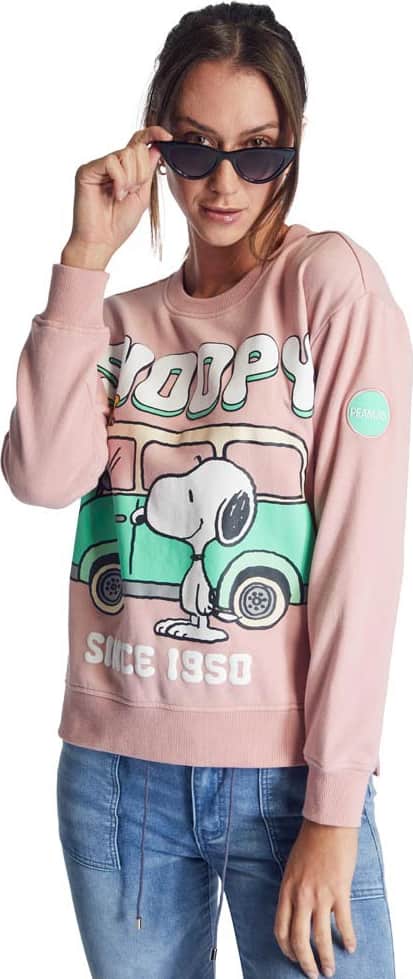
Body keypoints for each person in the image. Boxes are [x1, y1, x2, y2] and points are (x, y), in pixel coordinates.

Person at [1, 3, 411, 978]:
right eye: (194, 149)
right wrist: (84, 259)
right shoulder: (112, 321)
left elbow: (359, 556)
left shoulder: (328, 286)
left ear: (293, 143)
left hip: (282, 783)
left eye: (257, 152)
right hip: (115, 776)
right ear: (156, 146)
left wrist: (332, 806)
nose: (224, 183)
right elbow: (40, 477)